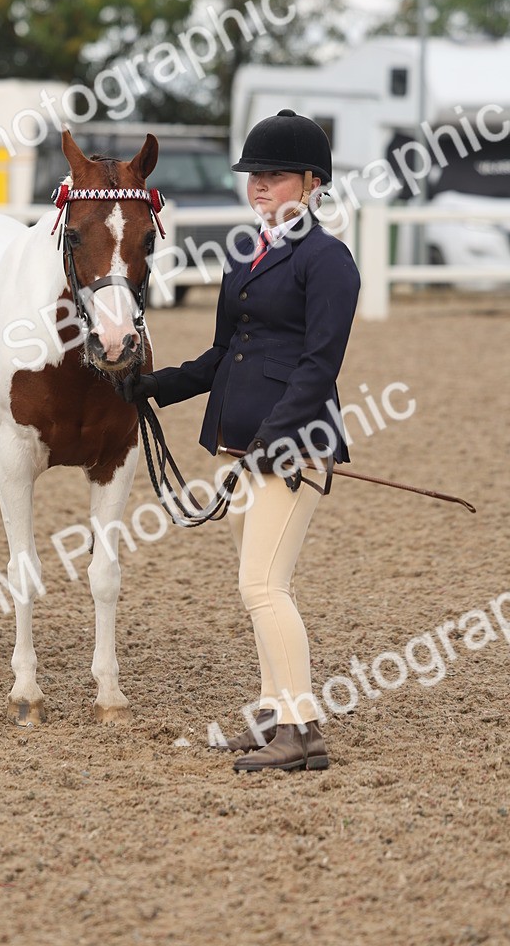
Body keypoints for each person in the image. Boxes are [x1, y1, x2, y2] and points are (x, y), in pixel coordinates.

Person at [125, 109, 360, 772]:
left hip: (292, 447)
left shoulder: (328, 259)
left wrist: (277, 436)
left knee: (264, 584)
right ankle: (272, 715)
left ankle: (301, 728)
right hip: (239, 442)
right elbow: (224, 351)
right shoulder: (247, 251)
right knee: (255, 583)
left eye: (276, 175)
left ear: (313, 181)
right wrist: (155, 386)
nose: (259, 186)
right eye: (254, 175)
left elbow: (320, 362)